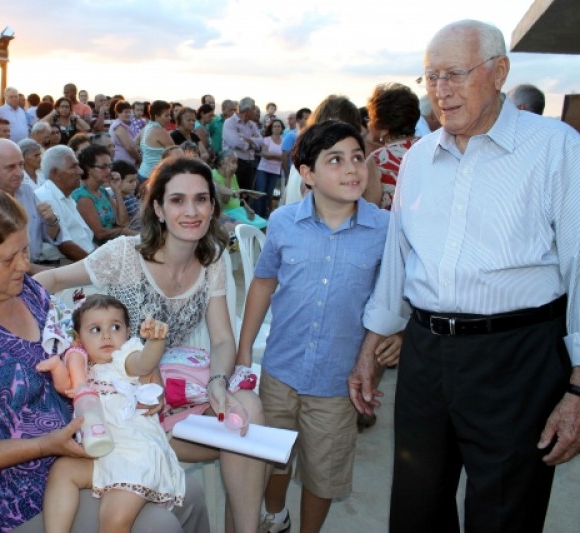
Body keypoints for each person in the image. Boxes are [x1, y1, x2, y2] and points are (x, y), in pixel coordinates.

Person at [348, 20, 580, 533]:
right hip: (426, 357)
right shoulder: (420, 160)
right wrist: (371, 346)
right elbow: (399, 261)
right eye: (430, 77)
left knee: (503, 513)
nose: (440, 91)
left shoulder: (556, 150)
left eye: (454, 74)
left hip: (517, 360)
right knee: (416, 507)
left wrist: (579, 389)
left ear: (499, 72)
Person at [0, 188, 209, 532]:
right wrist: (42, 445)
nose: (24, 265)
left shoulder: (30, 294)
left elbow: (84, 348)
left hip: (85, 451)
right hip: (11, 498)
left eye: (25, 251)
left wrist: (143, 371)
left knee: (191, 494)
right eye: (8, 259)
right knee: (159, 526)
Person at [35, 157, 267, 532]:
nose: (191, 211)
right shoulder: (124, 254)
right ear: (158, 208)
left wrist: (217, 382)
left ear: (212, 206)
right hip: (124, 412)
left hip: (168, 391)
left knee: (249, 408)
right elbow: (52, 280)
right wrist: (52, 343)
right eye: (177, 200)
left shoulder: (212, 260)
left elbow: (223, 338)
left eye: (201, 199)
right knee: (243, 440)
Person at [238, 121, 397, 533]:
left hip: (337, 381)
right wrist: (243, 353)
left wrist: (397, 333)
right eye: (336, 160)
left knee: (324, 471)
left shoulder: (384, 230)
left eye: (357, 158)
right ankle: (276, 515)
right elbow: (263, 283)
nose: (351, 169)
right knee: (272, 457)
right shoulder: (284, 222)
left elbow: (393, 296)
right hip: (281, 371)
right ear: (307, 174)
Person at [39, 295, 185, 533]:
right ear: (79, 338)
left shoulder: (124, 359)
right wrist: (57, 367)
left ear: (128, 333)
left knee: (114, 519)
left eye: (115, 327)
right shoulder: (83, 369)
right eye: (95, 329)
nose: (107, 336)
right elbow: (66, 384)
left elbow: (144, 363)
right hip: (98, 453)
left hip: (133, 454)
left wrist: (155, 343)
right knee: (62, 470)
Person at [0, 138, 62, 271]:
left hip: (36, 265)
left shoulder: (27, 190)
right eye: (11, 167)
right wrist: (49, 273)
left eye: (21, 165)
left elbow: (49, 237)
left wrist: (51, 221)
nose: (19, 172)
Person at [35, 145, 95, 262]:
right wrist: (97, 266)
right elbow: (65, 246)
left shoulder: (65, 195)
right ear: (55, 173)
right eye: (74, 167)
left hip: (84, 261)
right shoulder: (46, 197)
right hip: (67, 265)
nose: (81, 171)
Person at [365, 83, 420, 210]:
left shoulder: (378, 160)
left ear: (383, 126)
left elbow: (370, 213)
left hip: (392, 229)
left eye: (370, 118)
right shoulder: (432, 148)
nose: (368, 123)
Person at [73, 144, 137, 245]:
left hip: (113, 243)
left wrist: (117, 190)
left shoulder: (102, 191)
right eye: (103, 167)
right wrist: (122, 231)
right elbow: (99, 234)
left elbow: (122, 222)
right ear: (88, 168)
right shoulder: (83, 197)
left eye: (109, 166)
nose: (108, 171)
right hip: (97, 248)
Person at [212, 150, 267, 229]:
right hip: (227, 212)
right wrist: (228, 177)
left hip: (238, 210)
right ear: (223, 164)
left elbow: (237, 197)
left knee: (264, 223)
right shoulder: (214, 175)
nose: (236, 165)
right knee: (252, 228)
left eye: (236, 162)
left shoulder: (233, 176)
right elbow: (225, 200)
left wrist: (247, 207)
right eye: (233, 162)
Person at [223, 97, 262, 191]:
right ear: (247, 110)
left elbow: (261, 142)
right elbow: (236, 143)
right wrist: (252, 143)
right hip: (235, 163)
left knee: (247, 193)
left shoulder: (252, 125)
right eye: (254, 109)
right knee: (234, 192)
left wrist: (245, 139)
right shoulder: (229, 122)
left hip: (250, 164)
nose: (255, 112)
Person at [253, 118, 284, 217]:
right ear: (271, 128)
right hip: (263, 169)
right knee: (260, 192)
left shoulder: (283, 141)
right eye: (275, 126)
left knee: (269, 194)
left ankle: (264, 215)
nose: (277, 128)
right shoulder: (267, 139)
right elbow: (264, 153)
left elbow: (284, 157)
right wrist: (278, 156)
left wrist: (273, 156)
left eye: (278, 126)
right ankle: (257, 214)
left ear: (282, 128)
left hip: (275, 171)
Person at [137, 100, 174, 181]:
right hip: (155, 177)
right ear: (156, 117)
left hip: (142, 173)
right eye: (166, 115)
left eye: (170, 115)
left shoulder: (145, 128)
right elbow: (175, 154)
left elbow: (134, 144)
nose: (170, 118)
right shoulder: (160, 131)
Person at [111, 160, 141, 230]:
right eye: (131, 181)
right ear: (117, 181)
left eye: (135, 180)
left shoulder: (130, 195)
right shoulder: (116, 201)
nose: (134, 184)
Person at [109, 101, 140, 166]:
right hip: (123, 161)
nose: (128, 114)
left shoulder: (124, 124)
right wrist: (140, 159)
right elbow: (129, 148)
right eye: (125, 112)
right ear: (118, 113)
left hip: (127, 160)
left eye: (129, 112)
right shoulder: (119, 126)